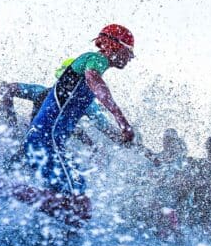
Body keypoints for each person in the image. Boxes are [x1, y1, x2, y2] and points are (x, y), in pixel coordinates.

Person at [16, 24, 136, 226]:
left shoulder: (85, 83)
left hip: (51, 143)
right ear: (113, 45)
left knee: (77, 215)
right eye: (129, 51)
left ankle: (61, 245)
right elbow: (95, 81)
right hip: (47, 141)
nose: (130, 57)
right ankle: (7, 189)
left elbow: (100, 122)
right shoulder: (94, 59)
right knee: (79, 207)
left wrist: (119, 137)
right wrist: (123, 122)